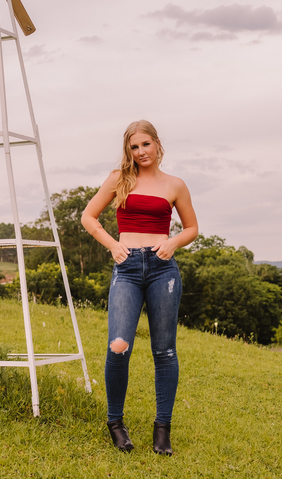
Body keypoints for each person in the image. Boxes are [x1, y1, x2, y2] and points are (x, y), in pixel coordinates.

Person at [80, 120, 199, 456]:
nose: (141, 152)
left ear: (157, 145)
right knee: (118, 346)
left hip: (164, 270)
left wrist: (173, 242)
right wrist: (112, 245)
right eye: (134, 147)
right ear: (128, 150)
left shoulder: (175, 184)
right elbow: (89, 217)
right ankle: (115, 423)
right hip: (127, 267)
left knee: (164, 351)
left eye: (146, 144)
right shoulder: (119, 179)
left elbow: (192, 228)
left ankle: (163, 429)